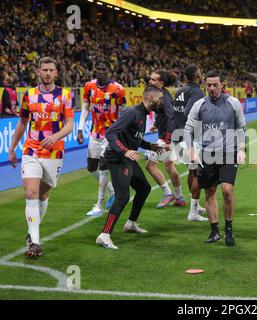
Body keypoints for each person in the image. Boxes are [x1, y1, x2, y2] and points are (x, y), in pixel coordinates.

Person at [8, 57, 74, 258]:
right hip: (32, 150)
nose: (47, 73)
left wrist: (55, 136)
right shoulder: (29, 95)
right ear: (38, 71)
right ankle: (35, 242)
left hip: (54, 152)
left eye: (51, 70)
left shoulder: (65, 95)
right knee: (31, 193)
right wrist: (12, 149)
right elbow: (22, 122)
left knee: (43, 195)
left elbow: (69, 124)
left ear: (56, 73)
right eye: (44, 69)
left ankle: (32, 230)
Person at [96, 85, 164, 249]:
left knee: (144, 188)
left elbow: (135, 137)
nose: (162, 102)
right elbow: (110, 133)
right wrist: (124, 151)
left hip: (127, 157)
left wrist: (150, 146)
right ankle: (104, 235)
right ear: (151, 98)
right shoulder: (133, 112)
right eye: (160, 99)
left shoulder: (143, 114)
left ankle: (131, 223)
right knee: (122, 197)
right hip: (117, 158)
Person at [184, 70, 246, 246]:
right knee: (209, 192)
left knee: (227, 190)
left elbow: (241, 127)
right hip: (207, 154)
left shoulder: (233, 103)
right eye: (208, 85)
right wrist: (191, 150)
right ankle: (214, 232)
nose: (211, 88)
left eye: (215, 85)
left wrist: (242, 148)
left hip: (228, 153)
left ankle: (229, 229)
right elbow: (188, 129)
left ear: (222, 85)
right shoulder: (199, 105)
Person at [77, 60, 126, 216]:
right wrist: (80, 129)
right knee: (91, 167)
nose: (101, 72)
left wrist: (122, 133)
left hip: (111, 134)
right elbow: (85, 107)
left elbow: (124, 112)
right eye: (98, 69)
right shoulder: (89, 87)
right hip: (94, 133)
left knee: (104, 165)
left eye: (104, 69)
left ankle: (99, 205)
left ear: (109, 71)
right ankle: (111, 190)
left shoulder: (118, 89)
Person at [172, 64, 208, 222]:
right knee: (198, 174)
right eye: (200, 74)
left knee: (192, 171)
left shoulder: (179, 91)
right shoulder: (196, 91)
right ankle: (193, 213)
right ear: (195, 76)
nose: (202, 76)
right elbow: (190, 112)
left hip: (177, 137)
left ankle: (196, 204)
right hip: (189, 139)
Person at [145, 70, 185, 209]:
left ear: (161, 83)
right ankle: (179, 197)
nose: (150, 81)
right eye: (150, 79)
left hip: (166, 137)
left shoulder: (165, 97)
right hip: (168, 135)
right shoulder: (162, 94)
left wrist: (168, 141)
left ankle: (168, 193)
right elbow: (164, 115)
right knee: (169, 166)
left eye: (153, 80)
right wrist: (156, 125)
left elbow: (171, 117)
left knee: (150, 166)